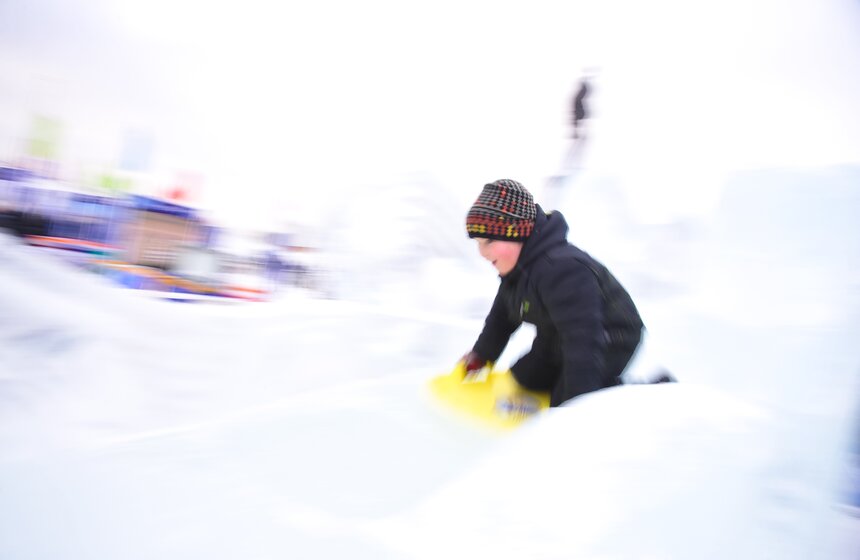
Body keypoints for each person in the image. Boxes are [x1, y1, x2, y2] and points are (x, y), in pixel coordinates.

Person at [460, 179, 644, 407]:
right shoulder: (516, 272)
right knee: (525, 379)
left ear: (516, 233)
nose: (482, 253)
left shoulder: (563, 269)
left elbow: (583, 340)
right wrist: (481, 355)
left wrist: (574, 404)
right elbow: (501, 319)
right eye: (478, 243)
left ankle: (631, 396)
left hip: (609, 338)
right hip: (556, 335)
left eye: (488, 241)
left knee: (565, 399)